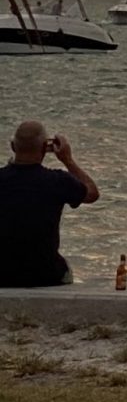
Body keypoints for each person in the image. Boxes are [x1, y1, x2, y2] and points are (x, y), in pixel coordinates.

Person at [0, 122, 99, 288]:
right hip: (45, 274)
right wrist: (68, 160)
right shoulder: (58, 181)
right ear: (46, 147)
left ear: (12, 146)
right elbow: (92, 194)